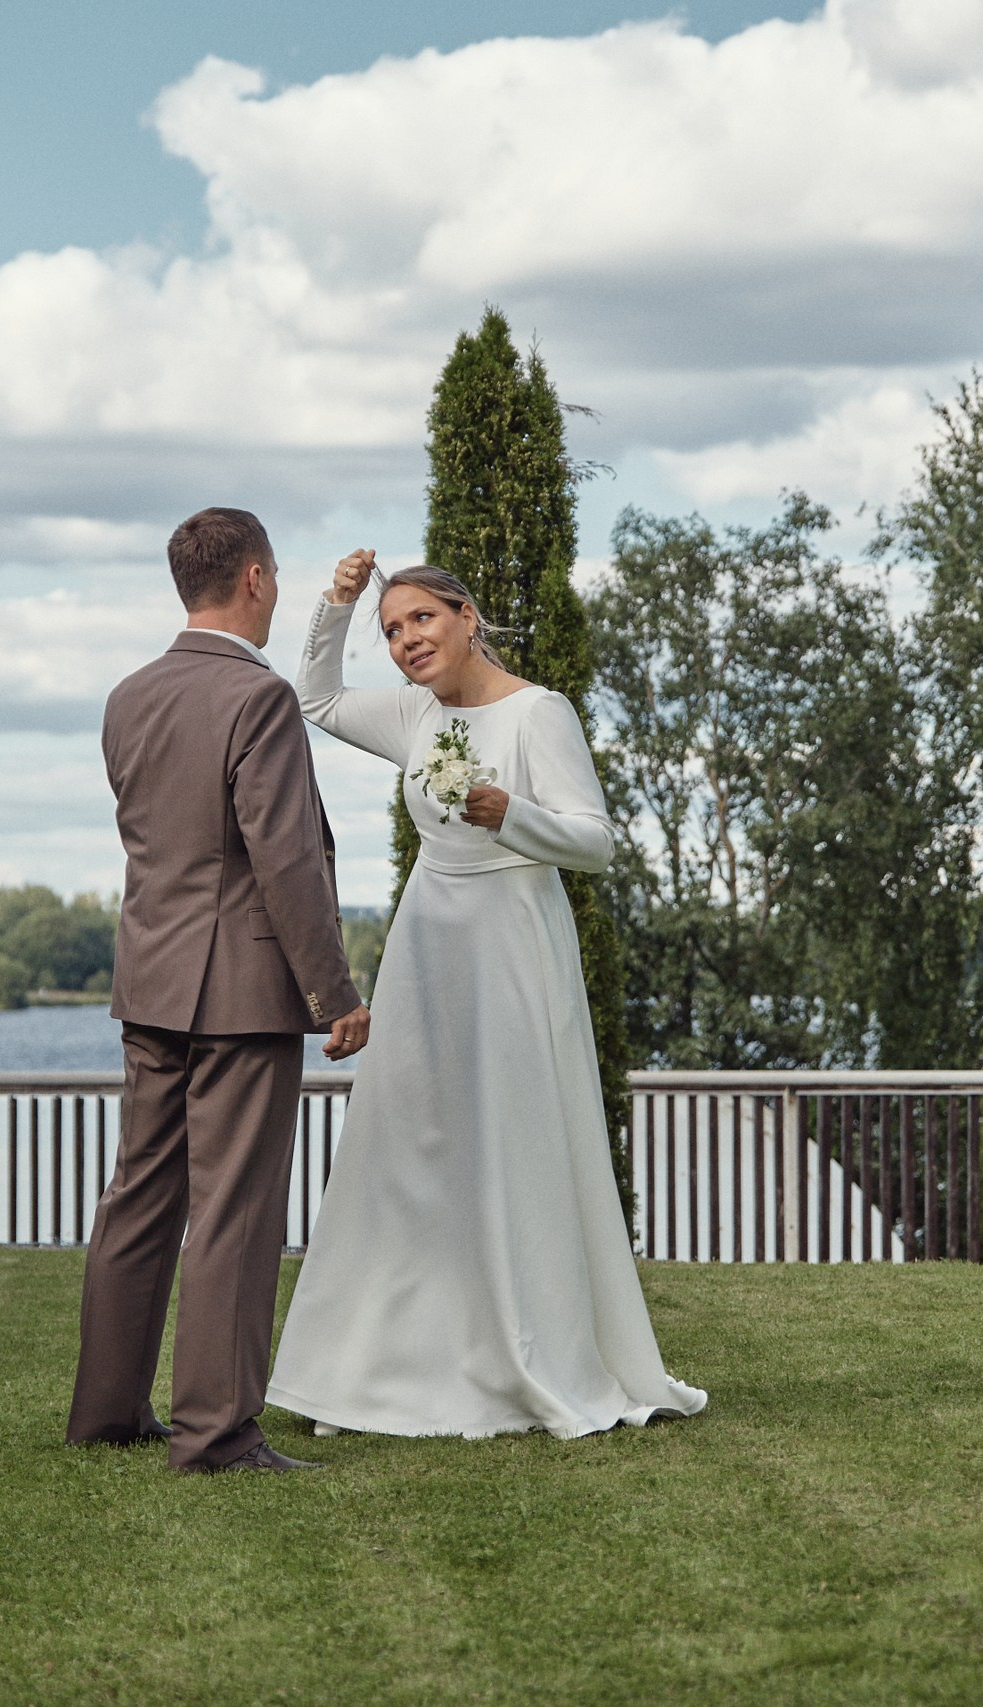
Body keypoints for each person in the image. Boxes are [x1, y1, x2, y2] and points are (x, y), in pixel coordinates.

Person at [267, 550, 708, 1439]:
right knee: (409, 1145)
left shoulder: (540, 712)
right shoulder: (413, 714)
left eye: (419, 620)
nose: (403, 643)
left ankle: (527, 1350)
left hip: (514, 942)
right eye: (392, 631)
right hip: (429, 943)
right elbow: (314, 700)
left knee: (515, 1139)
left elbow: (596, 843)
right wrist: (337, 605)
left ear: (467, 616)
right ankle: (384, 1363)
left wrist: (515, 814)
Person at [65, 507, 371, 1474]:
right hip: (241, 990)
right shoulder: (260, 699)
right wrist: (334, 993)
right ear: (253, 580)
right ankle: (218, 1432)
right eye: (275, 580)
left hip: (150, 979)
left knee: (140, 1196)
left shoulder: (128, 695)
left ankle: (108, 1412)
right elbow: (286, 861)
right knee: (235, 1209)